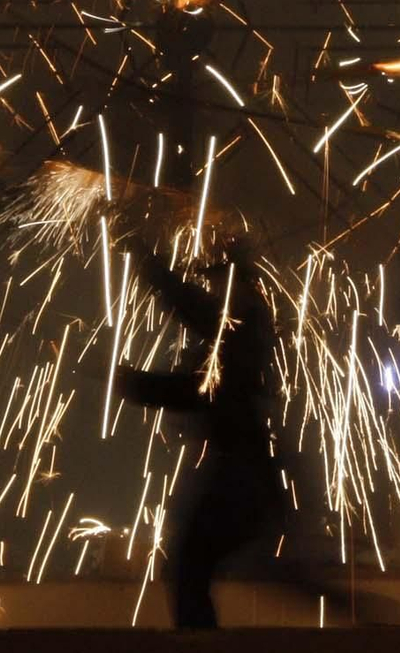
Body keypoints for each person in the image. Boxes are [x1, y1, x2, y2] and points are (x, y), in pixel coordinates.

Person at [116, 236, 279, 629]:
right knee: (200, 564)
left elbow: (192, 388)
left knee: (190, 564)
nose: (212, 289)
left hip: (242, 476)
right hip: (246, 473)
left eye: (216, 281)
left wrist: (145, 259)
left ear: (234, 280)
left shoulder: (241, 323)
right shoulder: (240, 326)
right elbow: (194, 384)